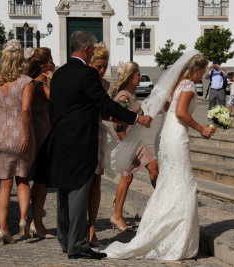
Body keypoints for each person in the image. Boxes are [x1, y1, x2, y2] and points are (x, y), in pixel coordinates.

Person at [35, 31, 152, 260]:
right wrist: (137, 118)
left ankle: (66, 239)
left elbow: (55, 108)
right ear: (88, 50)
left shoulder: (59, 74)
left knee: (64, 192)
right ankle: (78, 244)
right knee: (79, 191)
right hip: (80, 141)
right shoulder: (86, 73)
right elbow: (104, 103)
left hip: (60, 138)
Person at [103, 51, 215, 260]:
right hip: (176, 135)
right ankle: (175, 237)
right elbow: (181, 112)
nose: (203, 77)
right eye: (203, 72)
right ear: (196, 69)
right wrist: (202, 128)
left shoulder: (175, 84)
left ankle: (162, 229)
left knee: (169, 182)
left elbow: (166, 106)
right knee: (181, 181)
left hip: (165, 135)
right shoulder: (189, 85)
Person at [0, 39, 35, 244]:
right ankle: (23, 218)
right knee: (22, 179)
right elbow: (26, 110)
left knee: (4, 185)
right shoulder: (25, 81)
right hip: (18, 134)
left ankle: (3, 228)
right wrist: (27, 135)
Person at [109, 61, 159, 231]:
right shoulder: (124, 96)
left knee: (148, 169)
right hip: (126, 140)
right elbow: (117, 122)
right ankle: (117, 215)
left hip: (133, 139)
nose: (139, 76)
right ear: (130, 77)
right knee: (129, 176)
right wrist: (125, 145)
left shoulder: (131, 94)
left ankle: (160, 202)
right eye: (137, 74)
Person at [25, 47, 55, 239]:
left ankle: (34, 221)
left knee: (38, 182)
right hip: (43, 136)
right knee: (42, 182)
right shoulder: (40, 86)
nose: (54, 63)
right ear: (44, 66)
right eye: (51, 60)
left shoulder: (30, 84)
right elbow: (58, 101)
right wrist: (53, 78)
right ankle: (37, 223)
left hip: (39, 134)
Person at [87, 43, 111, 246]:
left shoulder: (105, 85)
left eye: (105, 67)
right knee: (82, 183)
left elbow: (104, 111)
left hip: (99, 134)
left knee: (96, 182)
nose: (102, 71)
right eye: (99, 67)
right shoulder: (82, 81)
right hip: (82, 136)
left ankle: (92, 228)